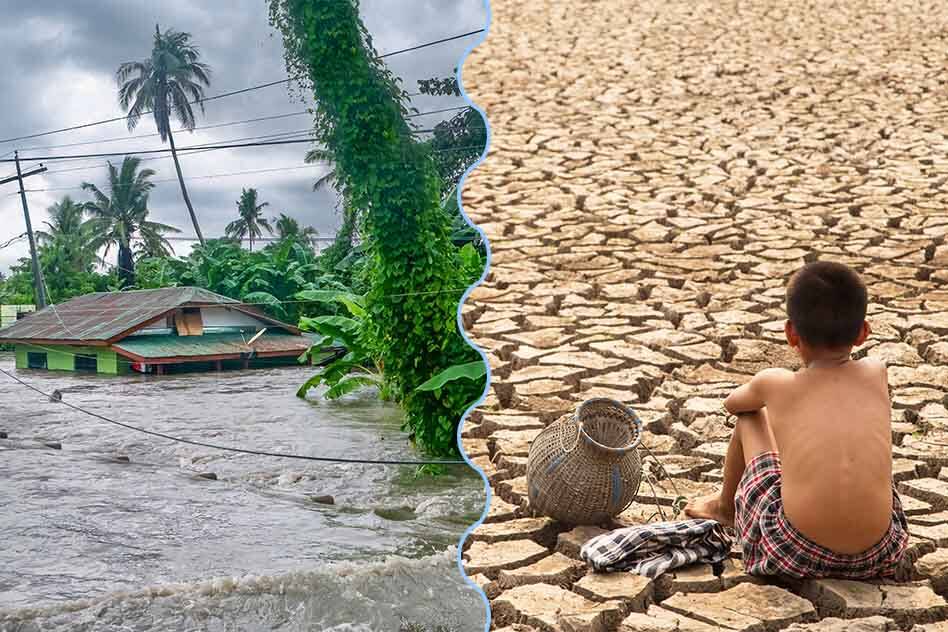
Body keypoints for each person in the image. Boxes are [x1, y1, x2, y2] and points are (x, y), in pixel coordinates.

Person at [684, 260, 908, 579]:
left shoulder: (775, 383)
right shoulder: (877, 372)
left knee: (750, 417)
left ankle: (724, 508)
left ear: (791, 333)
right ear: (863, 332)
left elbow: (733, 404)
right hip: (878, 554)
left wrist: (775, 403)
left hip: (793, 552)